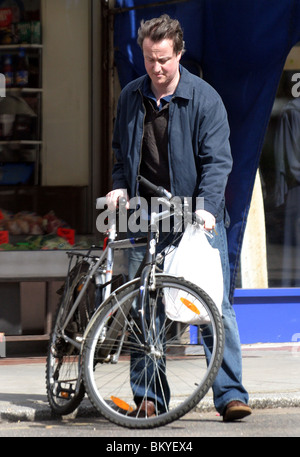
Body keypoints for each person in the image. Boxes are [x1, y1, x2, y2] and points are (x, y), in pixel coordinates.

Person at [106, 14, 252, 422]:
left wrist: (206, 207)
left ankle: (230, 395)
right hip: (144, 213)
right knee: (143, 305)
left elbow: (218, 162)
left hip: (195, 215)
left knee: (213, 306)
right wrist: (119, 185)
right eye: (150, 58)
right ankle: (149, 396)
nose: (156, 67)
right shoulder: (131, 96)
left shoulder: (205, 99)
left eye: (164, 59)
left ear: (179, 54)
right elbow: (121, 150)